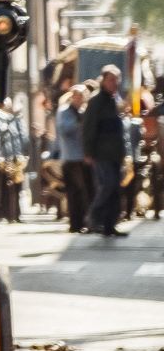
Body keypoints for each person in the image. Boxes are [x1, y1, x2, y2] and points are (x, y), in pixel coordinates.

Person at [82, 66, 130, 238]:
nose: (114, 83)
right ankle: (93, 217)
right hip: (101, 153)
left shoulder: (113, 101)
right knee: (107, 186)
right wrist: (88, 152)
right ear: (103, 81)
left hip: (115, 153)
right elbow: (88, 128)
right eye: (111, 79)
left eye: (116, 80)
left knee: (115, 190)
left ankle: (110, 225)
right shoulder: (96, 101)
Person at [56, 86, 92, 233]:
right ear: (73, 97)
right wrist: (81, 125)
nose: (80, 99)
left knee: (83, 191)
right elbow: (64, 129)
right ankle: (75, 223)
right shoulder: (64, 111)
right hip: (71, 157)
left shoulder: (82, 112)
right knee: (75, 191)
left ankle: (82, 221)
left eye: (83, 97)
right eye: (78, 96)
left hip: (82, 157)